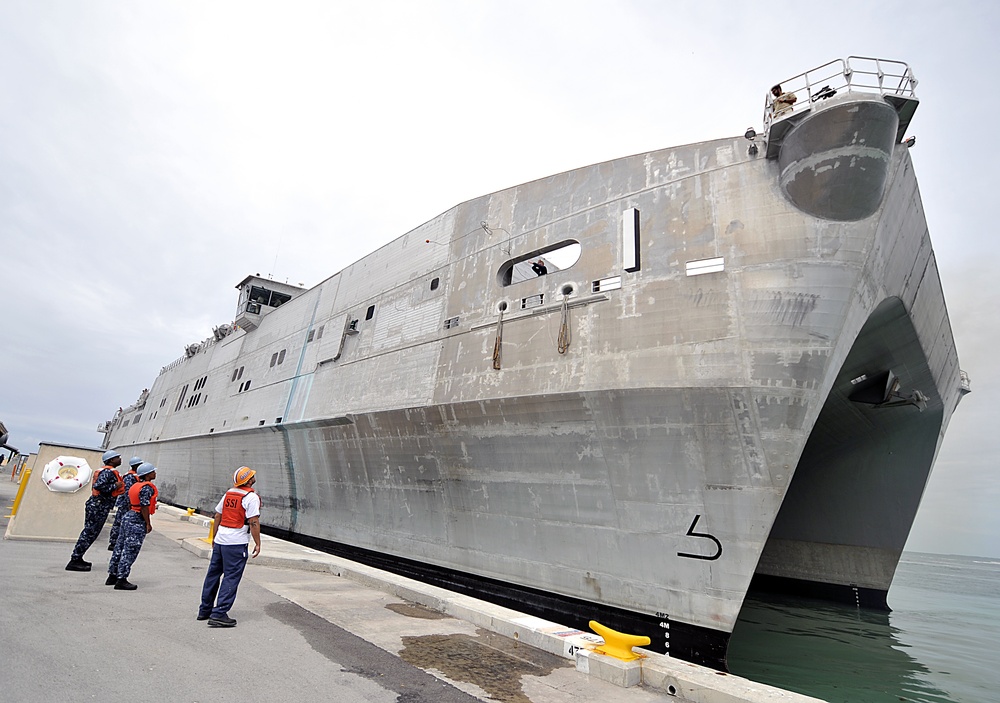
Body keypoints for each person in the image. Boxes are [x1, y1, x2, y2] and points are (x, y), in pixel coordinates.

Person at [198, 466, 262, 627]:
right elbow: (253, 521)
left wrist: (214, 536)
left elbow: (218, 515)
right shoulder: (251, 497)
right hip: (236, 542)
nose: (254, 476)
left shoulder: (229, 493)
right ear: (248, 480)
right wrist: (258, 542)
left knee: (213, 574)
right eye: (252, 475)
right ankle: (219, 614)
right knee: (231, 577)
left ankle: (205, 610)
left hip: (221, 540)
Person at [66, 450, 125, 571]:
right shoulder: (108, 472)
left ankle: (78, 557)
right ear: (111, 460)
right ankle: (75, 559)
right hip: (99, 506)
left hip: (99, 505)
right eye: (117, 457)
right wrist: (115, 486)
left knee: (90, 532)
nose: (120, 459)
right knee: (89, 532)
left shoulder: (107, 471)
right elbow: (98, 486)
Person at [107, 462, 157, 590]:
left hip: (128, 515)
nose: (155, 473)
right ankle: (121, 579)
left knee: (120, 546)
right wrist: (147, 523)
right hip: (137, 519)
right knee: (130, 549)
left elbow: (130, 502)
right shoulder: (147, 487)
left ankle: (112, 575)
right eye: (153, 471)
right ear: (147, 475)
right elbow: (144, 506)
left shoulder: (135, 485)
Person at [108, 457, 143, 550]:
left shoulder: (136, 475)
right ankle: (113, 542)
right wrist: (130, 504)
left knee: (124, 523)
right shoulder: (130, 477)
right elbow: (128, 492)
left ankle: (120, 541)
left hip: (129, 504)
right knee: (119, 522)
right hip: (125, 504)